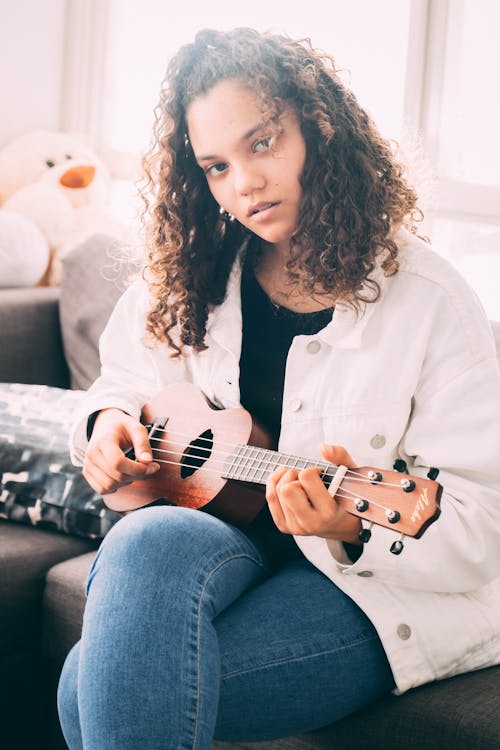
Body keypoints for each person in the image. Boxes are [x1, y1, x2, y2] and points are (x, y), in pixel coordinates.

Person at [57, 27, 500, 749]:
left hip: (364, 587)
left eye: (262, 145)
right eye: (216, 166)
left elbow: (485, 522)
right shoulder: (190, 270)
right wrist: (106, 424)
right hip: (228, 537)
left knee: (90, 686)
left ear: (320, 129)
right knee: (146, 538)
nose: (244, 185)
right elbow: (119, 385)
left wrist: (350, 523)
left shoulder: (430, 301)